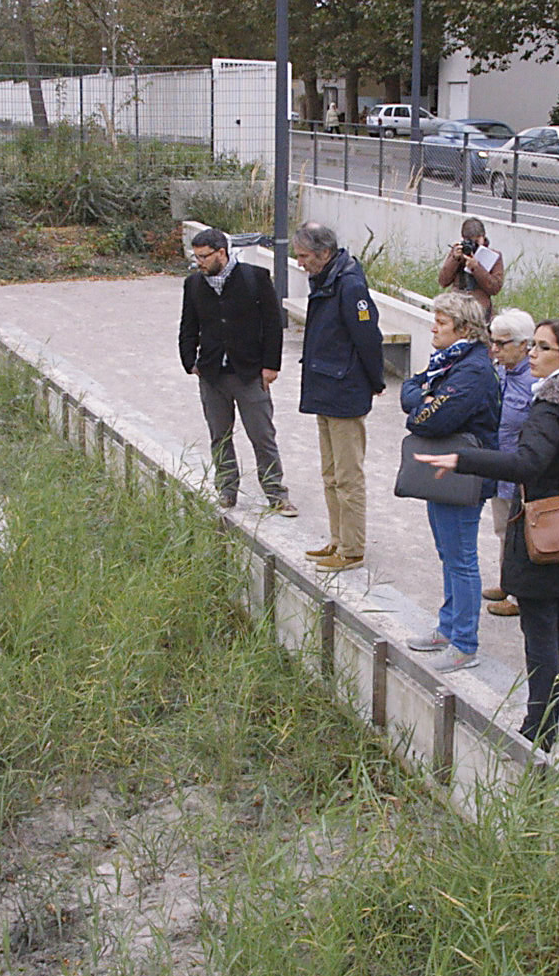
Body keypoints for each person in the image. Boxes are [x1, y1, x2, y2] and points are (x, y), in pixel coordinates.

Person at [415, 321, 559, 750]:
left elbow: (527, 464)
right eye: (534, 345)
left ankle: (537, 726)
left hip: (542, 531)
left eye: (544, 347)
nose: (534, 353)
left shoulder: (550, 408)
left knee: (541, 631)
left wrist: (463, 459)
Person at [402, 293, 502, 672]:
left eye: (440, 322)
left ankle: (464, 643)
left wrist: (422, 404)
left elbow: (431, 420)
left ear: (463, 328)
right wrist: (425, 398)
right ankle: (448, 627)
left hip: (463, 474)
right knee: (448, 554)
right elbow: (412, 389)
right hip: (443, 471)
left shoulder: (472, 370)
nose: (432, 327)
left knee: (461, 559)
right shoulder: (449, 361)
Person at [179, 227, 296, 516]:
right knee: (220, 435)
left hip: (249, 372)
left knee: (262, 435)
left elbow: (272, 325)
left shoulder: (255, 278)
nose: (200, 263)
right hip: (211, 374)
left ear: (222, 253)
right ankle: (227, 490)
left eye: (204, 256)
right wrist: (189, 362)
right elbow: (188, 327)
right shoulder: (193, 284)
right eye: (196, 257)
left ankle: (276, 493)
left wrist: (271, 366)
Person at [295, 222, 387, 573]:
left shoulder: (349, 285)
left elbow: (368, 337)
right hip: (325, 387)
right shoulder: (326, 279)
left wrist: (375, 381)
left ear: (324, 253)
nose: (300, 263)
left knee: (348, 476)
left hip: (344, 390)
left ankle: (352, 549)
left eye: (304, 256)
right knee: (330, 473)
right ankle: (337, 539)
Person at [482, 309, 537, 619]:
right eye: (493, 342)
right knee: (503, 529)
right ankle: (507, 582)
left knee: (522, 533)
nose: (495, 350)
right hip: (500, 465)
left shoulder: (533, 380)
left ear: (524, 344)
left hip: (522, 470)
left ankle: (520, 594)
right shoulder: (501, 370)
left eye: (502, 344)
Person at [437, 217, 506, 318]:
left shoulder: (494, 256)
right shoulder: (457, 253)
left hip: (479, 309)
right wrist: (455, 259)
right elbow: (443, 281)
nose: (473, 245)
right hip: (457, 306)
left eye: (477, 241)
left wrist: (476, 268)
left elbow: (495, 288)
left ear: (483, 237)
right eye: (470, 241)